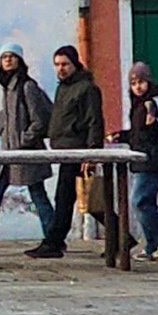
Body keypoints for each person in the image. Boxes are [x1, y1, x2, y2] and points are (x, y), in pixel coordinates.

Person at [0, 49, 55, 252]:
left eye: (12, 56)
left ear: (19, 60)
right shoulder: (7, 89)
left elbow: (39, 121)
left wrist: (22, 141)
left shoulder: (27, 87)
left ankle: (54, 237)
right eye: (4, 57)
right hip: (10, 154)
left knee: (37, 194)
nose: (8, 59)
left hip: (25, 153)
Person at [30, 45, 105, 258]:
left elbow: (94, 122)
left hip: (79, 152)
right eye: (57, 65)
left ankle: (54, 242)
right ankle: (55, 241)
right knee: (69, 198)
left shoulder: (87, 89)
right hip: (65, 152)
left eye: (65, 64)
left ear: (74, 64)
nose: (60, 69)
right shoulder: (63, 87)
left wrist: (91, 154)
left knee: (81, 199)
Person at [118, 60, 158, 261]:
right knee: (146, 203)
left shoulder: (155, 100)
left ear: (149, 81)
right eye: (134, 83)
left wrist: (152, 110)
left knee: (139, 202)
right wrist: (121, 136)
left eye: (142, 82)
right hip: (143, 159)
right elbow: (139, 134)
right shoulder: (137, 105)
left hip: (154, 160)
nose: (138, 87)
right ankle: (151, 246)